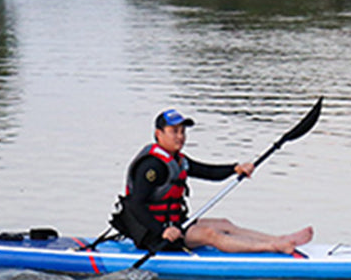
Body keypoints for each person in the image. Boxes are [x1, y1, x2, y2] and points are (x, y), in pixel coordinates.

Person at [112, 108, 313, 254]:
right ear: (159, 134)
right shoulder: (152, 167)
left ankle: (280, 239)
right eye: (174, 131)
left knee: (224, 224)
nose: (180, 137)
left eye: (183, 131)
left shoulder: (177, 160)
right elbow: (136, 204)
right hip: (153, 235)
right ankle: (273, 247)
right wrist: (163, 231)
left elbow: (207, 171)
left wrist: (236, 168)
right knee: (210, 234)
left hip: (173, 224)